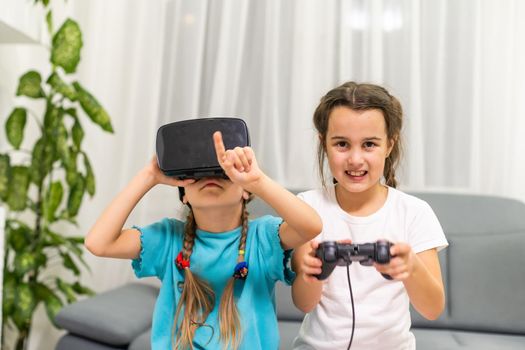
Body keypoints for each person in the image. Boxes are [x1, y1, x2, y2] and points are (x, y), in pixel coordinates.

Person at [84, 130, 322, 350]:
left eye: (223, 173)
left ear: (245, 191)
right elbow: (99, 243)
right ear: (183, 194)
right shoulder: (168, 239)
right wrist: (148, 176)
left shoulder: (263, 237)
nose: (210, 177)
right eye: (196, 175)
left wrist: (258, 181)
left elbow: (310, 225)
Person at [291, 82, 448, 350]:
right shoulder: (306, 208)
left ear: (389, 145)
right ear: (324, 143)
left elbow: (433, 309)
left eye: (369, 145)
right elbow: (303, 303)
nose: (355, 159)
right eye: (341, 144)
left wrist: (411, 268)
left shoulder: (414, 212)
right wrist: (312, 273)